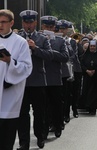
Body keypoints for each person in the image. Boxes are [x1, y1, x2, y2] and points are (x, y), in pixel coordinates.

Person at [17, 10, 54, 150]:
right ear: (22, 23)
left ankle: (40, 136)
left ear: (35, 23)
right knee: (22, 114)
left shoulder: (43, 38)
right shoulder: (17, 37)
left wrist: (35, 48)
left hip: (38, 81)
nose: (28, 25)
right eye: (26, 22)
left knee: (39, 112)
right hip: (22, 81)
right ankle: (24, 142)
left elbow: (50, 55)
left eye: (31, 22)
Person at [0, 9, 32, 150]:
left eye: (3, 22)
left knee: (7, 138)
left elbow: (26, 67)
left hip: (10, 96)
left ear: (11, 23)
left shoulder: (21, 43)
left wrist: (9, 61)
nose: (0, 25)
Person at [40, 16, 69, 138]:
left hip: (55, 77)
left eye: (51, 27)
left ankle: (57, 126)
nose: (49, 29)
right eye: (46, 27)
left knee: (56, 104)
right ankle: (43, 130)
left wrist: (50, 53)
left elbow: (65, 57)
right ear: (42, 27)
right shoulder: (37, 39)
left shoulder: (60, 41)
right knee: (42, 107)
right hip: (40, 78)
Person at [80, 40, 97, 115]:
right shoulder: (85, 55)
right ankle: (87, 106)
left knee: (94, 94)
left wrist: (95, 70)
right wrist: (87, 71)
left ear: (96, 47)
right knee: (87, 92)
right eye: (91, 46)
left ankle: (93, 108)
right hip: (87, 77)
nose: (92, 48)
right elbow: (81, 64)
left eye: (93, 46)